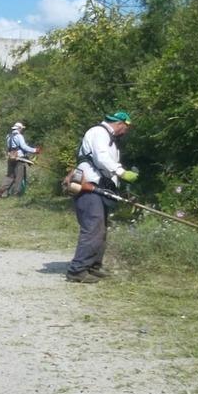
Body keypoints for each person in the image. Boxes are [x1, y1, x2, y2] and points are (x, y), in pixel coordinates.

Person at [66, 111, 139, 283]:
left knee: (101, 227)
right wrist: (122, 172)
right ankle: (77, 270)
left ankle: (93, 265)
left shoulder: (109, 138)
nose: (126, 132)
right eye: (127, 128)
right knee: (93, 227)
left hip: (100, 187)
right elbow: (101, 158)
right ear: (121, 123)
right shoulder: (98, 132)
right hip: (88, 186)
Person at [0, 122, 40, 198]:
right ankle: (16, 194)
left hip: (11, 157)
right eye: (22, 129)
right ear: (19, 128)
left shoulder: (8, 136)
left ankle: (1, 189)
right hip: (19, 158)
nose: (22, 130)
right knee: (19, 177)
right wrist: (35, 150)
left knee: (10, 176)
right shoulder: (19, 136)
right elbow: (24, 147)